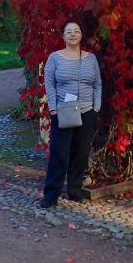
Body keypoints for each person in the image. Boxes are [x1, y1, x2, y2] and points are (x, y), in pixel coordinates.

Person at [40, 20, 102, 208]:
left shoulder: (90, 58)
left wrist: (96, 108)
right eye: (69, 32)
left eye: (76, 31)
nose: (73, 34)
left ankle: (75, 190)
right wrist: (53, 108)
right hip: (63, 112)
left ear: (81, 35)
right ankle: (51, 195)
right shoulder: (55, 58)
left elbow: (97, 83)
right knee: (59, 153)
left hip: (86, 112)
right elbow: (49, 83)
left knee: (81, 153)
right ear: (64, 36)